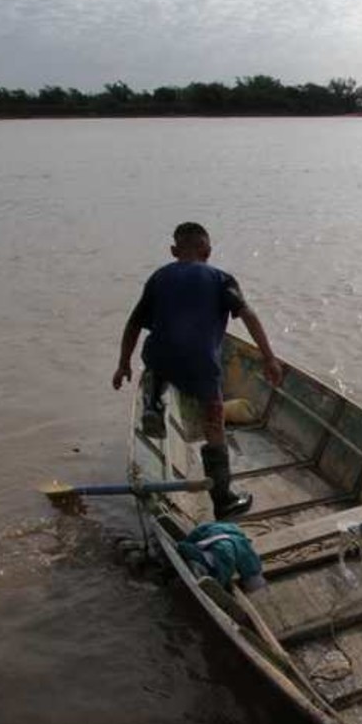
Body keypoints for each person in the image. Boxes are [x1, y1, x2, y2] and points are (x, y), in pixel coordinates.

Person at [112, 221, 284, 518]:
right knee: (214, 423)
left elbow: (134, 324)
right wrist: (269, 357)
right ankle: (224, 501)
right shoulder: (220, 278)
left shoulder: (159, 277)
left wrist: (123, 364)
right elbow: (249, 315)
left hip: (161, 358)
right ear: (208, 251)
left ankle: (153, 401)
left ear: (173, 251)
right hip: (202, 363)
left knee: (156, 357)